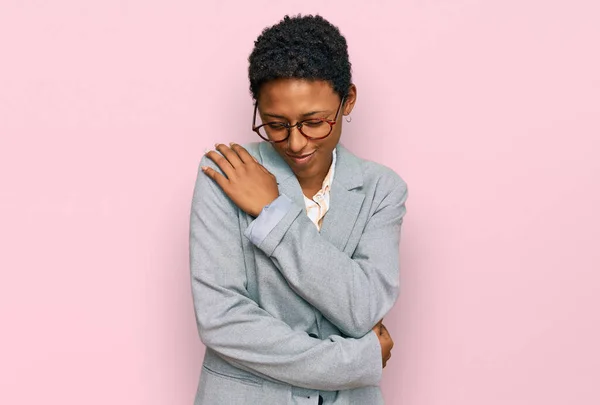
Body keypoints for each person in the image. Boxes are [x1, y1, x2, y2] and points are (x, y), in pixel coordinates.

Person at [189, 14, 408, 405]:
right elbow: (222, 320)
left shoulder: (382, 190)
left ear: (348, 100)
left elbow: (363, 306)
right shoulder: (223, 177)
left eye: (314, 122)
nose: (295, 142)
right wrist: (355, 361)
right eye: (275, 125)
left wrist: (273, 210)